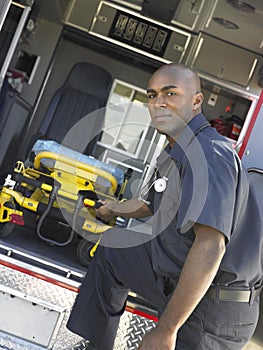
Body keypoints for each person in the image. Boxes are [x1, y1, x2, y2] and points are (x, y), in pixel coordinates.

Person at [67, 63, 263, 350]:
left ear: (196, 101)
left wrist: (166, 329)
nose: (158, 103)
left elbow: (210, 247)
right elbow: (151, 203)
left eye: (170, 94)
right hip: (176, 277)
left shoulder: (209, 155)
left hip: (214, 308)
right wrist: (111, 210)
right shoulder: (178, 149)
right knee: (113, 250)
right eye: (152, 95)